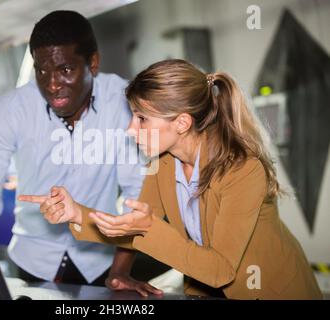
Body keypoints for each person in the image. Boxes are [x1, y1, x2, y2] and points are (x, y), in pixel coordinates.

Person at [20, 59, 323, 299]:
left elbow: (220, 270)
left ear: (181, 123)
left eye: (141, 119)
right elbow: (134, 229)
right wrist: (77, 214)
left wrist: (149, 228)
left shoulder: (242, 170)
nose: (130, 129)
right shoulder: (163, 164)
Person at [0, 11, 155, 290]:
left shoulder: (123, 102)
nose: (52, 85)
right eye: (42, 71)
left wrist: (119, 271)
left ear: (93, 62)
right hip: (33, 261)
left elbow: (138, 194)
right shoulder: (12, 110)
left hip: (101, 260)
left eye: (65, 70)